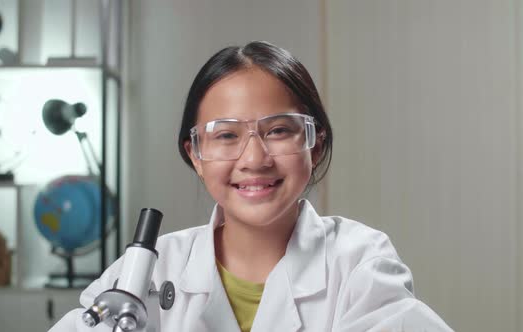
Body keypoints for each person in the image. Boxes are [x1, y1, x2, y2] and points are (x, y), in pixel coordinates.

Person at [50, 41, 453, 332]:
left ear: (316, 143)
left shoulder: (358, 263)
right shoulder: (149, 272)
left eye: (279, 130)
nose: (254, 159)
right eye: (225, 135)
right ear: (195, 154)